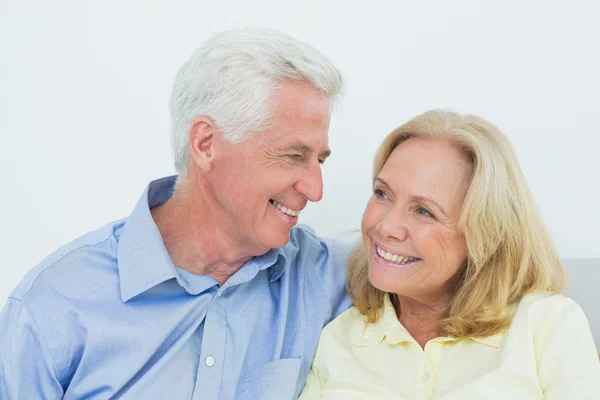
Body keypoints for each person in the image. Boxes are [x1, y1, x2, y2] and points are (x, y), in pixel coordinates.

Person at [0, 28, 352, 399]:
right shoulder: (54, 306)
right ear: (205, 144)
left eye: (320, 161)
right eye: (293, 156)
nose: (316, 190)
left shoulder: (326, 277)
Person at [299, 110, 600, 399]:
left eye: (423, 211)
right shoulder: (337, 339)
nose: (387, 226)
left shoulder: (548, 326)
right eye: (382, 193)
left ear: (484, 234)